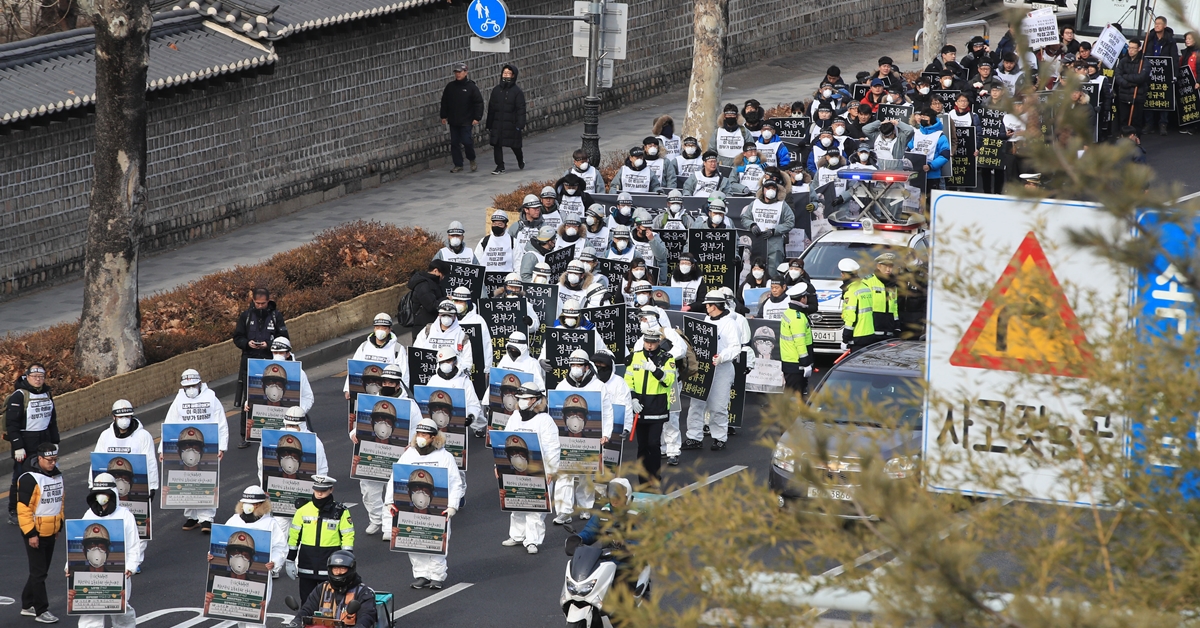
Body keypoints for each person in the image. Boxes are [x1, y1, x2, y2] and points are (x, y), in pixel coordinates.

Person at [387, 418, 463, 589]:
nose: (421, 437)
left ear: (434, 437)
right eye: (419, 433)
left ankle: (437, 575)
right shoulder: (409, 455)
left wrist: (452, 506)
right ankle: (421, 574)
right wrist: (390, 501)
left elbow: (455, 482)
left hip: (438, 508)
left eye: (425, 434)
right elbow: (395, 478)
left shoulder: (445, 457)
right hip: (410, 507)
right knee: (413, 539)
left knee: (437, 539)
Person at [69, 473, 141, 628]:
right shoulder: (88, 514)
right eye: (98, 494)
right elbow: (77, 543)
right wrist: (69, 566)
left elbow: (134, 544)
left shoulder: (125, 515)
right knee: (90, 611)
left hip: (119, 572)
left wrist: (131, 566)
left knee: (120, 608)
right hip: (90, 575)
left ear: (112, 494)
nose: (102, 497)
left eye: (105, 494)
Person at [162, 369, 229, 532]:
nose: (190, 389)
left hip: (206, 445)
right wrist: (162, 449)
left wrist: (222, 446)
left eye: (193, 385)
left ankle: (207, 518)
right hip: (184, 446)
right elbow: (169, 424)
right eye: (187, 386)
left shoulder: (211, 398)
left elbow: (221, 423)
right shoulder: (179, 400)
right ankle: (192, 515)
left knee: (206, 478)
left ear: (199, 383)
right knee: (187, 480)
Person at [92, 400, 157, 564]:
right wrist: (93, 484)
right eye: (121, 416)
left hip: (136, 488)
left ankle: (136, 560)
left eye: (127, 416)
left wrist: (153, 485)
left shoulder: (143, 436)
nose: (124, 419)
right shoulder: (105, 436)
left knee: (138, 526)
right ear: (114, 417)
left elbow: (150, 461)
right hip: (109, 489)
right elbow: (98, 460)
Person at [552, 350, 614, 524]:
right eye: (573, 365)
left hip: (589, 439)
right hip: (565, 439)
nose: (576, 369)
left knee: (586, 474)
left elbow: (607, 412)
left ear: (587, 367)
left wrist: (606, 434)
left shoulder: (598, 386)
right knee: (564, 474)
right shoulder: (562, 386)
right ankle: (564, 511)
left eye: (579, 365)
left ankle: (585, 508)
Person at [500, 382, 561, 554]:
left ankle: (533, 540)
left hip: (538, 469)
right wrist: (499, 466)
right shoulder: (514, 417)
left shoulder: (545, 420)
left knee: (536, 506)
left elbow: (553, 447)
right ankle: (517, 535)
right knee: (517, 501)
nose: (522, 402)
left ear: (535, 400)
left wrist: (551, 470)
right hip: (517, 468)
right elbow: (504, 441)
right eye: (520, 398)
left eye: (526, 399)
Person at [682, 291, 744, 452]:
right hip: (703, 368)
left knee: (718, 405)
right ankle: (694, 436)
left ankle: (719, 437)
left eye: (707, 305)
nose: (705, 308)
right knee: (696, 403)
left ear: (714, 305)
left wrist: (722, 357)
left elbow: (736, 347)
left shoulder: (730, 324)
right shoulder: (707, 319)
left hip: (721, 369)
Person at [213, 485, 285, 622]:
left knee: (254, 617)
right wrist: (213, 556)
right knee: (239, 616)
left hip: (258, 579)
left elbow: (280, 547)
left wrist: (274, 562)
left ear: (261, 505)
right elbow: (222, 541)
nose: (249, 506)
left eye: (254, 504)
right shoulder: (234, 520)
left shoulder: (270, 523)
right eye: (247, 503)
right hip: (232, 580)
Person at [233, 288, 289, 448]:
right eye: (257, 303)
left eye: (263, 303)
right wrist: (247, 343)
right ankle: (245, 435)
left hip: (269, 362)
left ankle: (276, 430)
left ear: (268, 301)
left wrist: (269, 345)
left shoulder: (276, 316)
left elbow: (285, 338)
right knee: (248, 400)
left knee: (273, 397)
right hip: (250, 362)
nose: (260, 306)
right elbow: (237, 337)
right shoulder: (246, 316)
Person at [286, 475, 354, 603]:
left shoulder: (340, 511)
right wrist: (290, 559)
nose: (319, 493)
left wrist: (346, 561)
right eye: (317, 490)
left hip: (330, 564)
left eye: (323, 491)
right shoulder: (303, 510)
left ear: (331, 490)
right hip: (307, 564)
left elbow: (348, 536)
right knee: (307, 602)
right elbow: (294, 536)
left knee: (331, 603)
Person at [7, 364, 59, 525]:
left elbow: (52, 421)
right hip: (26, 441)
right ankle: (15, 510)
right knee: (22, 477)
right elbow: (12, 424)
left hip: (44, 440)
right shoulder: (19, 396)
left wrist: (55, 442)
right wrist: (17, 446)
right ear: (27, 377)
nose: (38, 380)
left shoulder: (47, 394)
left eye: (41, 377)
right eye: (34, 376)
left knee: (45, 475)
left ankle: (39, 507)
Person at [17, 443, 63, 624]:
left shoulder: (57, 476)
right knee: (39, 573)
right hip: (35, 533)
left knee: (40, 571)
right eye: (49, 460)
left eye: (55, 460)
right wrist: (31, 534)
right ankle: (41, 610)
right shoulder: (29, 479)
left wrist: (58, 526)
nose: (53, 464)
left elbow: (60, 502)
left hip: (50, 531)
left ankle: (27, 604)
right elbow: (23, 510)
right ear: (40, 458)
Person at [625, 329, 677, 486]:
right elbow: (628, 381)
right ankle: (642, 480)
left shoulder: (667, 358)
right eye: (647, 342)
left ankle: (654, 478)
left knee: (653, 444)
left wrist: (655, 370)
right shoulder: (635, 357)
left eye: (653, 342)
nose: (649, 345)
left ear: (658, 342)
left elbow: (669, 380)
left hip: (657, 408)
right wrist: (633, 399)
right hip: (639, 408)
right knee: (642, 447)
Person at [290, 550, 376, 628]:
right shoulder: (322, 588)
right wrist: (296, 621)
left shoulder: (363, 592)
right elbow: (307, 609)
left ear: (350, 570)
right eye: (335, 569)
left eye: (342, 569)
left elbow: (367, 616)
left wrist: (360, 626)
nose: (338, 572)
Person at [344, 313, 405, 401]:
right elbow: (354, 367)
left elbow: (404, 373)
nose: (380, 330)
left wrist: (402, 396)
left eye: (384, 328)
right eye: (377, 327)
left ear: (390, 329)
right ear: (374, 329)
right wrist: (347, 389)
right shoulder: (364, 346)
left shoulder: (397, 349)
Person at [741, 178, 795, 273]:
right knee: (756, 270)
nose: (770, 190)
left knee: (773, 271)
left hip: (774, 242)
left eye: (773, 188)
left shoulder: (782, 204)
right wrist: (752, 225)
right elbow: (745, 218)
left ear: (777, 190)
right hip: (757, 240)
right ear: (763, 190)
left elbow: (790, 222)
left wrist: (774, 230)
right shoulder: (755, 203)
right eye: (767, 188)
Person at [439, 61, 483, 173]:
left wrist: (477, 117)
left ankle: (472, 159)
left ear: (466, 72)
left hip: (467, 120)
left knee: (467, 141)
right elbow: (444, 102)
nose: (458, 74)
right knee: (454, 143)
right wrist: (443, 116)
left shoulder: (471, 87)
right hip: (454, 120)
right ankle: (458, 164)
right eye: (456, 72)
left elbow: (478, 103)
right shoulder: (450, 87)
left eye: (460, 72)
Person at [429, 345, 483, 437]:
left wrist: (471, 416)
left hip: (456, 428)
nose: (445, 364)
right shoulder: (433, 381)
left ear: (455, 361)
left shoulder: (464, 381)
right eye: (442, 362)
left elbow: (473, 404)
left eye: (448, 361)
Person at [449, 286, 493, 394]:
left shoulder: (477, 320)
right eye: (456, 301)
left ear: (468, 303)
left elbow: (486, 345)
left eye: (462, 301)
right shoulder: (447, 319)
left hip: (475, 367)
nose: (458, 304)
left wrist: (487, 368)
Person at [486, 63, 526, 175]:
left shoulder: (517, 92)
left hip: (511, 124)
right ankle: (500, 166)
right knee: (496, 144)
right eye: (505, 73)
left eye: (509, 73)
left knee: (515, 145)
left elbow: (521, 109)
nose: (506, 75)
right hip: (497, 123)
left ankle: (520, 159)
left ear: (513, 75)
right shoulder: (496, 90)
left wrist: (520, 124)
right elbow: (491, 108)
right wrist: (489, 124)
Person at [1144, 16, 1179, 135]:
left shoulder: (1170, 40)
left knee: (1164, 98)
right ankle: (1149, 124)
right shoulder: (1149, 38)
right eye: (1155, 23)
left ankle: (1163, 124)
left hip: (1165, 73)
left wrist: (1175, 74)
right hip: (1149, 72)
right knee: (1149, 97)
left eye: (1159, 24)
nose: (1156, 25)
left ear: (1164, 26)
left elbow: (1174, 58)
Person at [413, 300, 470, 373]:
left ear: (454, 316)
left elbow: (467, 361)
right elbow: (416, 351)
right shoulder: (428, 330)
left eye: (449, 315)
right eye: (443, 315)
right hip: (428, 374)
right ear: (439, 315)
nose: (446, 318)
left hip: (453, 377)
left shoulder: (461, 336)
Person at [779, 284, 815, 397]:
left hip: (789, 360)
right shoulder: (798, 317)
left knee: (791, 393)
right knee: (795, 394)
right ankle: (792, 414)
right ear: (803, 298)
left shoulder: (789, 312)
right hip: (796, 362)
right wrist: (806, 363)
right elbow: (800, 342)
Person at [908, 108, 952, 197]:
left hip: (932, 175)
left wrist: (931, 166)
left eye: (925, 117)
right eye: (922, 117)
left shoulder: (940, 135)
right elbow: (909, 149)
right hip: (915, 174)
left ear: (931, 118)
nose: (922, 119)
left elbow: (945, 155)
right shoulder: (917, 133)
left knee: (929, 203)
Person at [839, 258, 876, 352]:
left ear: (844, 275)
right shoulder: (865, 287)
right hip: (869, 333)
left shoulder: (851, 291)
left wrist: (845, 339)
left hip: (857, 335)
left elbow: (851, 317)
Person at [1115, 39, 1151, 133]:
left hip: (1138, 96)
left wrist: (1126, 76)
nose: (1130, 50)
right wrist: (1127, 83)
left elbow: (1142, 77)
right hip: (1123, 95)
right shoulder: (1123, 61)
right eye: (1129, 47)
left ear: (1139, 49)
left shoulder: (1144, 62)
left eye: (1133, 48)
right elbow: (1118, 76)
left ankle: (1136, 140)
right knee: (1123, 120)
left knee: (1136, 122)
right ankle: (1123, 141)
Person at [683, 150, 748, 197]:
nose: (713, 164)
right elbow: (687, 189)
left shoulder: (722, 180)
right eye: (710, 162)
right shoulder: (696, 176)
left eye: (715, 162)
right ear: (704, 163)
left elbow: (728, 195)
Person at [406, 259, 448, 330]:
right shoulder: (424, 285)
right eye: (442, 274)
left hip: (428, 323)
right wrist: (446, 299)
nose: (443, 277)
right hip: (423, 326)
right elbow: (431, 306)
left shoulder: (431, 283)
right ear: (435, 271)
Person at [631, 211, 668, 281]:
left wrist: (652, 240)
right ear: (638, 227)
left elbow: (662, 256)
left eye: (649, 228)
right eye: (645, 228)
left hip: (652, 275)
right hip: (634, 275)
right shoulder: (630, 238)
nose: (648, 230)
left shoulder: (655, 236)